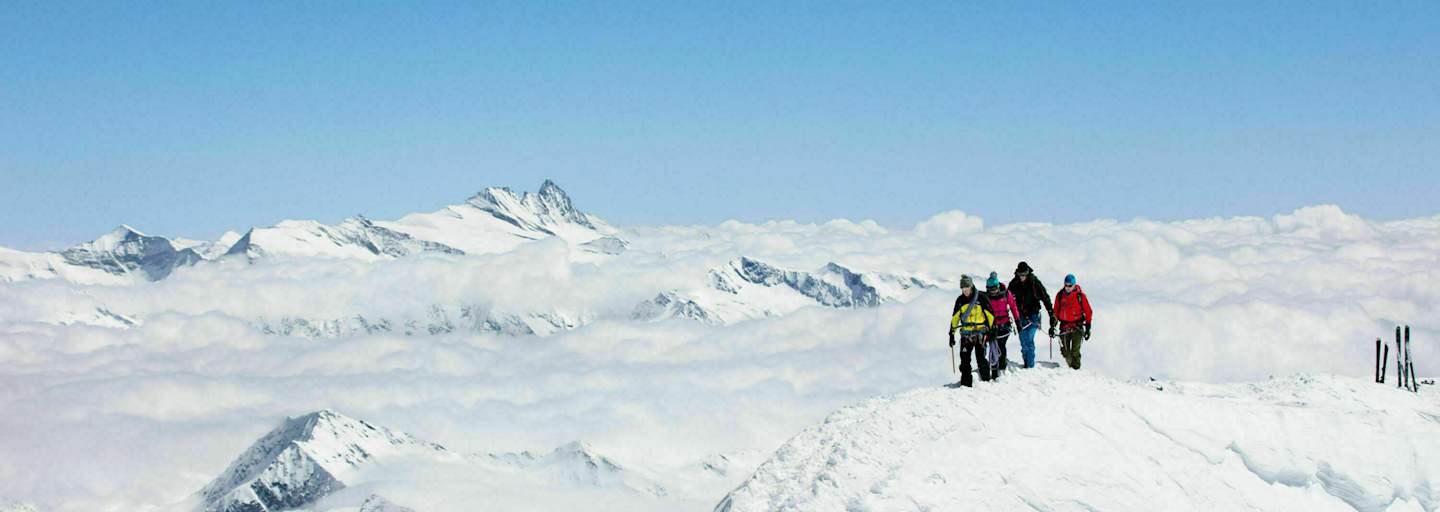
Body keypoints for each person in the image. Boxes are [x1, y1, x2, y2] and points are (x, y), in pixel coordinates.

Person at [949, 275, 995, 387]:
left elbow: (990, 315)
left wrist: (992, 330)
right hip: (966, 334)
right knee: (964, 360)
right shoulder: (960, 301)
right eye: (963, 289)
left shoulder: (981, 298)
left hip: (980, 332)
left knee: (980, 358)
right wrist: (951, 334)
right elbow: (955, 318)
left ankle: (986, 381)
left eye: (967, 289)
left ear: (971, 286)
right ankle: (966, 384)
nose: (965, 291)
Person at [1007, 262, 1055, 368]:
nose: (1022, 277)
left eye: (1024, 274)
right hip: (1020, 316)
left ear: (1028, 273)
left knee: (1029, 340)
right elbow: (1007, 298)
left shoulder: (1034, 283)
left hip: (1033, 315)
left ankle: (1030, 366)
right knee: (1023, 342)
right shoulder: (1014, 284)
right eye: (1021, 274)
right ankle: (1026, 363)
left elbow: (1045, 298)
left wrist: (1051, 314)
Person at [983, 272, 1021, 379]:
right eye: (990, 290)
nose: (993, 292)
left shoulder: (1006, 294)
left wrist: (1018, 321)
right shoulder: (986, 298)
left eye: (994, 289)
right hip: (992, 327)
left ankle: (1002, 366)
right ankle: (995, 368)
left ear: (998, 287)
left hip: (1004, 325)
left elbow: (1013, 307)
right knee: (994, 346)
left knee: (1001, 345)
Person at [1053, 274, 1093, 370]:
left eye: (1070, 285)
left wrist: (1088, 328)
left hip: (1077, 326)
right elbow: (1055, 312)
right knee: (1065, 351)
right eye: (1066, 285)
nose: (1067, 287)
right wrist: (1052, 326)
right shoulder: (1059, 296)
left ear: (1074, 285)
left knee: (1075, 351)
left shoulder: (1080, 296)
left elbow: (1088, 311)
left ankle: (1076, 370)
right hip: (1064, 326)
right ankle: (1071, 367)